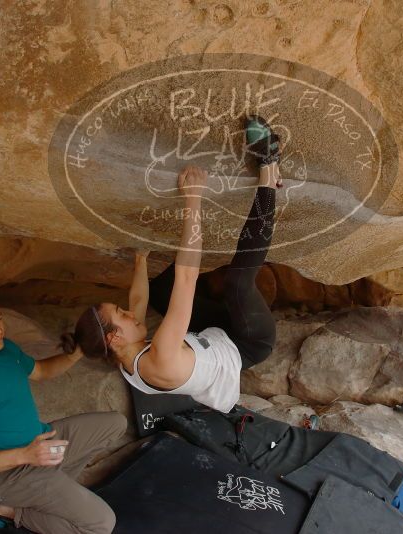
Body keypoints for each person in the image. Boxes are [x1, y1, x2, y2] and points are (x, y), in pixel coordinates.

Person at [63, 116, 282, 413]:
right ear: (114, 337)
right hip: (246, 343)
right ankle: (270, 168)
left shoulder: (123, 356)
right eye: (121, 315)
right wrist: (193, 200)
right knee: (238, 283)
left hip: (210, 335)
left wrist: (141, 257)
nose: (130, 314)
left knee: (160, 290)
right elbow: (187, 277)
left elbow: (139, 300)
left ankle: (227, 304)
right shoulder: (161, 357)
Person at [0, 291, 127, 534]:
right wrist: (25, 455)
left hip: (41, 443)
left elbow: (41, 371)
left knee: (115, 424)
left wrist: (77, 352)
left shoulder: (5, 350)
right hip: (12, 475)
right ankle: (6, 510)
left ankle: (51, 486)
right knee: (101, 524)